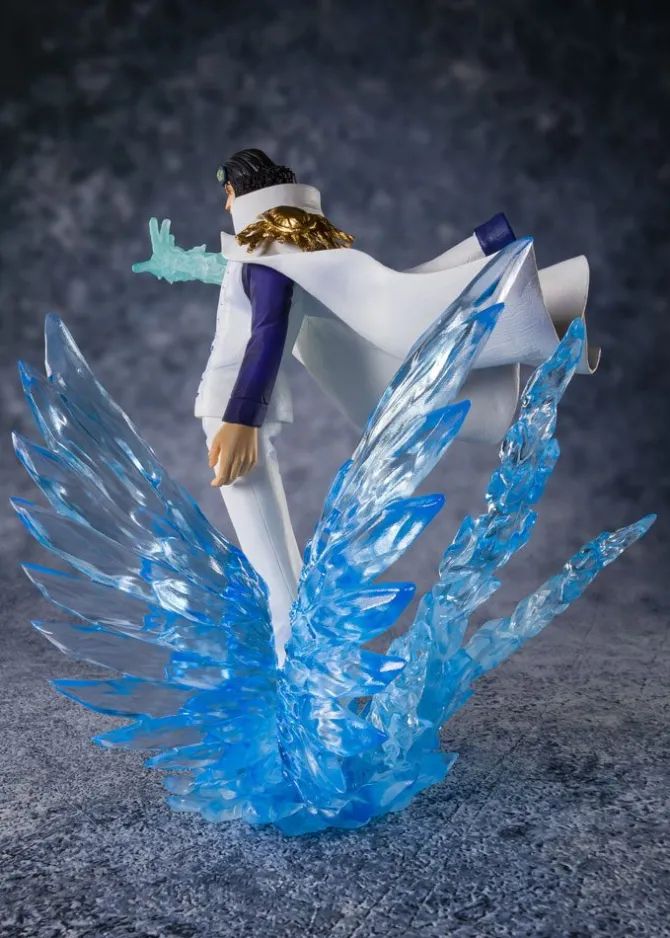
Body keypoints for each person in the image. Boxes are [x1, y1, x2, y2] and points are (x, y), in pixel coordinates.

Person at [134, 148, 600, 663]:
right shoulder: (276, 250)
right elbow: (238, 275)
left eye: (227, 193)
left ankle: (301, 673)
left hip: (234, 412)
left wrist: (241, 418)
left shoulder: (270, 255)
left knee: (272, 566)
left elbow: (266, 335)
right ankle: (305, 666)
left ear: (236, 192)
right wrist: (181, 265)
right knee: (274, 560)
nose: (225, 204)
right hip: (234, 412)